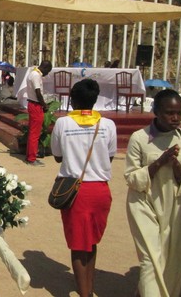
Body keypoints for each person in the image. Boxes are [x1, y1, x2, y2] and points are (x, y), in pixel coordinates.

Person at [124, 89, 181, 297]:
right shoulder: (139, 138)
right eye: (169, 112)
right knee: (150, 259)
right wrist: (159, 162)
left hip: (175, 205)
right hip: (143, 202)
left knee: (173, 259)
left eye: (179, 113)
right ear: (155, 110)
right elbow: (131, 177)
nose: (175, 118)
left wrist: (176, 166)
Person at [51, 79, 117, 297]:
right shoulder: (108, 125)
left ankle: (84, 293)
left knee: (79, 246)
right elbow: (110, 156)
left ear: (72, 100)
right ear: (95, 99)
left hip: (74, 192)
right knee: (91, 242)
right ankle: (88, 286)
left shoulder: (62, 123)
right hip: (100, 190)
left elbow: (58, 156)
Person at [25, 60, 52, 166]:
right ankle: (32, 158)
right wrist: (44, 105)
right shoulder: (36, 75)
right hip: (36, 105)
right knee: (35, 133)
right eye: (48, 71)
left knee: (32, 132)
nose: (47, 74)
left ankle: (29, 156)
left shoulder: (32, 73)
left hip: (32, 104)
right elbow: (38, 92)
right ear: (45, 68)